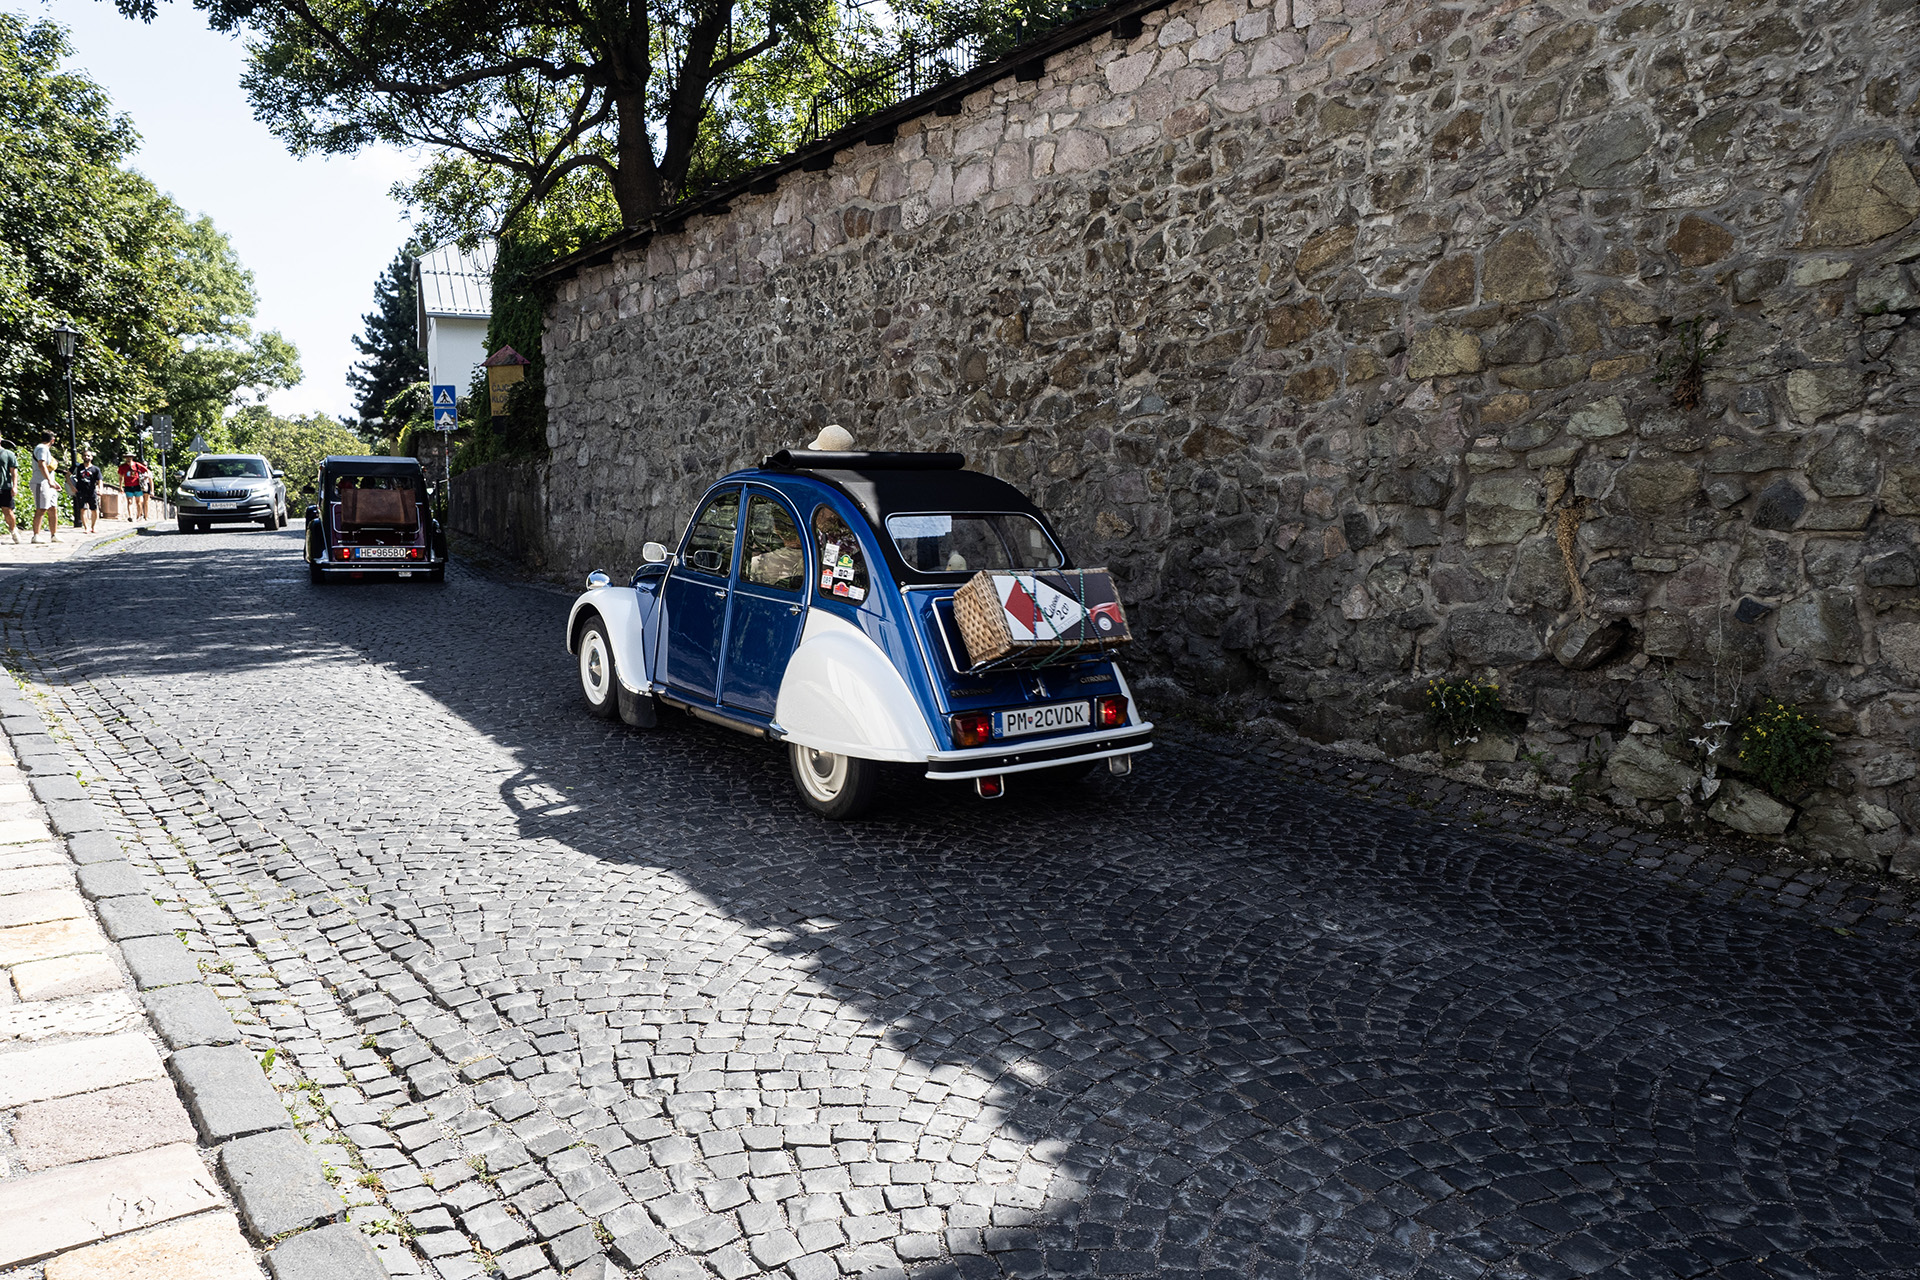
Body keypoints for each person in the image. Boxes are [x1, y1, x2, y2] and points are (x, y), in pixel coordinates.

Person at [29, 432, 58, 543]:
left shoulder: (45, 449)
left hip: (48, 482)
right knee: (42, 508)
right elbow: (41, 464)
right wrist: (49, 480)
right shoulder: (42, 448)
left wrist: (53, 481)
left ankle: (54, 535)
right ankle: (36, 535)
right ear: (52, 440)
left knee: (53, 508)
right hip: (40, 482)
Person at [70, 450, 102, 533]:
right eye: (84, 455)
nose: (86, 457)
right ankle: (86, 527)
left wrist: (100, 489)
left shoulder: (95, 469)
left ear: (91, 457)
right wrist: (72, 487)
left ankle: (93, 526)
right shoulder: (78, 467)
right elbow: (67, 475)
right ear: (82, 457)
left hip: (92, 492)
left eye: (88, 456)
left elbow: (100, 480)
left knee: (94, 510)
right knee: (83, 509)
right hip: (81, 491)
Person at [117, 453, 149, 521]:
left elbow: (146, 470)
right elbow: (120, 477)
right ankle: (130, 516)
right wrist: (120, 486)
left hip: (137, 486)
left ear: (132, 458)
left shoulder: (137, 465)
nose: (128, 459)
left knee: (139, 502)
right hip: (128, 486)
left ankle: (139, 516)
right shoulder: (122, 467)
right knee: (129, 501)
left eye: (130, 457)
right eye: (127, 457)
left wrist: (145, 477)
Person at [0, 438, 17, 544]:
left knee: (8, 512)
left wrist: (14, 486)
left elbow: (14, 472)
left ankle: (13, 530)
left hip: (4, 487)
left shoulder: (8, 454)